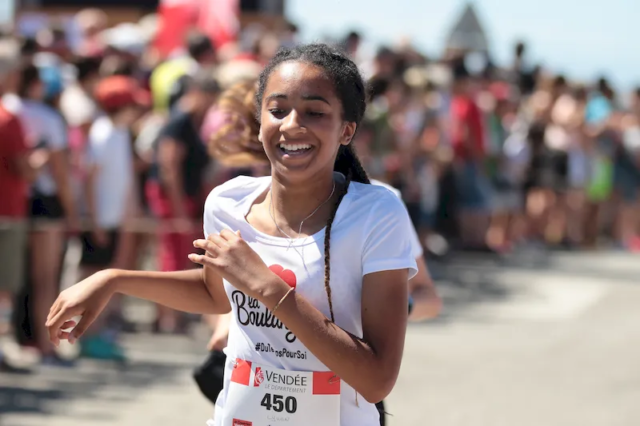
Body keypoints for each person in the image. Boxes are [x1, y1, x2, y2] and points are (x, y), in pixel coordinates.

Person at [47, 44, 418, 426]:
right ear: (259, 122)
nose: (291, 124)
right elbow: (214, 293)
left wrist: (268, 288)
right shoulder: (228, 203)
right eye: (277, 110)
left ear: (346, 130)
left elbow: (376, 381)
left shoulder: (376, 213)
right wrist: (113, 280)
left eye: (315, 112)